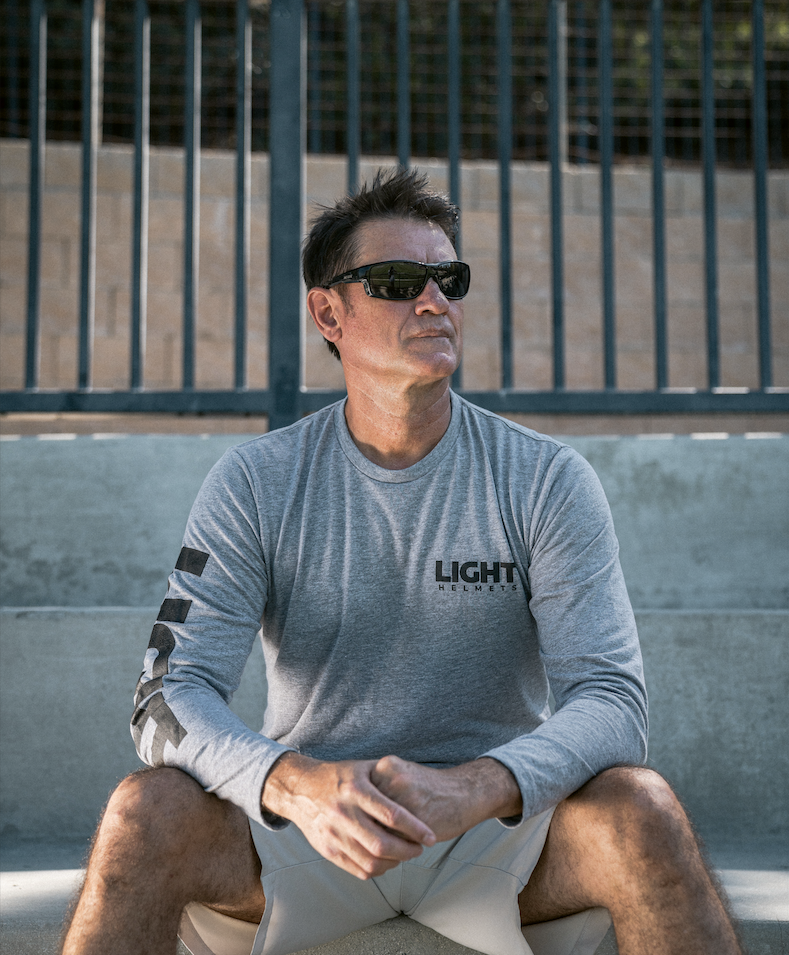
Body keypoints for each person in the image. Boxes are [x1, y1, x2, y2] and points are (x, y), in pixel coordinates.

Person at [62, 169, 741, 955]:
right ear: (328, 312)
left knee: (642, 809)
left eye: (449, 280)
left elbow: (613, 701)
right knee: (143, 812)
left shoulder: (546, 479)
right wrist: (294, 782)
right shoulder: (254, 481)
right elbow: (165, 694)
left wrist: (475, 786)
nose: (432, 301)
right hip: (312, 828)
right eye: (395, 282)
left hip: (496, 831)